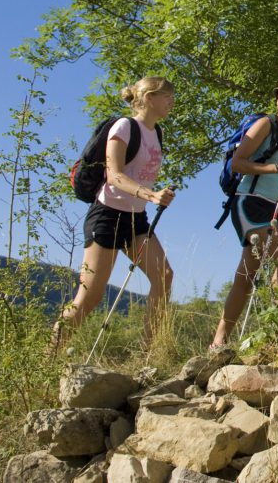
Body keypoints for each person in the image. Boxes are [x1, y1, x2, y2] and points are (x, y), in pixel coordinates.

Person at [53, 76, 176, 351]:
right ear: (148, 98)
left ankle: (149, 353)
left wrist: (154, 195)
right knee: (89, 298)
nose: (172, 101)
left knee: (164, 276)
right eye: (167, 95)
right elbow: (115, 176)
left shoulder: (157, 133)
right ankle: (48, 360)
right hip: (107, 216)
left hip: (137, 219)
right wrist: (151, 195)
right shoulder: (124, 127)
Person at [211, 76, 278, 348]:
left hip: (276, 209)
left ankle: (218, 343)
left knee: (246, 276)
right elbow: (237, 163)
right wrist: (275, 168)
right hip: (248, 201)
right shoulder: (265, 125)